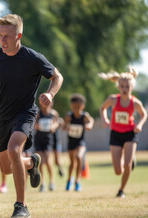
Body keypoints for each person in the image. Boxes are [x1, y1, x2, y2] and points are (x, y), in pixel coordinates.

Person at [0, 14, 63, 218]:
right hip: (2, 116)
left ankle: (21, 206)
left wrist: (50, 93)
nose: (3, 40)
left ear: (19, 35)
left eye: (7, 36)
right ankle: (31, 163)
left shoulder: (32, 58)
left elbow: (57, 76)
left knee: (14, 149)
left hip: (25, 113)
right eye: (0, 36)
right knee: (6, 168)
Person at [99, 67, 147, 198]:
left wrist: (140, 125)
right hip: (115, 134)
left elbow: (144, 114)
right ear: (118, 87)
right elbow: (103, 108)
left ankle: (121, 190)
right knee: (118, 170)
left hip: (130, 134)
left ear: (132, 87)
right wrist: (105, 118)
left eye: (127, 86)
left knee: (127, 165)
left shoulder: (136, 102)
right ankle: (130, 160)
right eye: (122, 86)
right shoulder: (113, 99)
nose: (124, 89)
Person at [63, 94, 94, 192]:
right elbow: (64, 127)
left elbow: (91, 120)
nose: (76, 109)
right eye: (74, 107)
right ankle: (69, 180)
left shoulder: (84, 116)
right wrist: (66, 125)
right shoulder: (69, 116)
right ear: (71, 106)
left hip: (81, 141)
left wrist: (89, 125)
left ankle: (77, 181)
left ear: (82, 106)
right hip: (71, 142)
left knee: (79, 157)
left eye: (78, 107)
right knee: (72, 163)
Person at [34, 102, 60, 192]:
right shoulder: (38, 114)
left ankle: (52, 182)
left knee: (48, 161)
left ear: (51, 104)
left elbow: (57, 122)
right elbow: (34, 124)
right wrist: (38, 126)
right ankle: (42, 183)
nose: (46, 106)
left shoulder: (54, 113)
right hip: (39, 140)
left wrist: (54, 126)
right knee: (41, 162)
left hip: (48, 140)